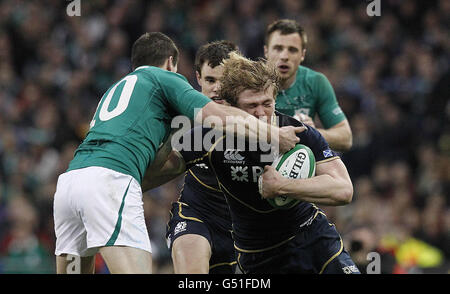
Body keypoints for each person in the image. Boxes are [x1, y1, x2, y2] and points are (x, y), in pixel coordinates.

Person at [53, 32, 302, 274]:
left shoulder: (118, 88)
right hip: (110, 179)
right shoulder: (164, 78)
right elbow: (218, 117)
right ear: (171, 62)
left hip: (71, 183)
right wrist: (274, 134)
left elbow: (156, 162)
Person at [149, 52, 359, 273]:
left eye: (267, 103)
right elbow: (156, 173)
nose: (261, 113)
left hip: (313, 237)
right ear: (230, 106)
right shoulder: (209, 137)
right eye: (251, 106)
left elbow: (343, 190)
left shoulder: (298, 133)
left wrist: (283, 186)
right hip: (259, 257)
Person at [164, 40, 238, 274]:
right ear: (198, 78)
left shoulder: (260, 119)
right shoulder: (183, 123)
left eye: (223, 80)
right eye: (210, 80)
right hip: (196, 216)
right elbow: (161, 170)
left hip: (243, 230)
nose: (216, 88)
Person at [264, 19, 353, 152]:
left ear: (302, 55)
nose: (284, 56)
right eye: (278, 48)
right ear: (266, 51)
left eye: (292, 50)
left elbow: (346, 138)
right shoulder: (247, 82)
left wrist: (310, 133)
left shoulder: (316, 82)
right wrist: (277, 134)